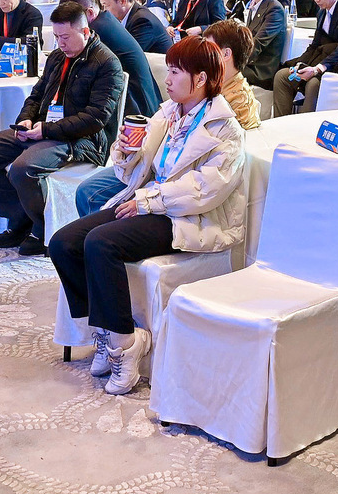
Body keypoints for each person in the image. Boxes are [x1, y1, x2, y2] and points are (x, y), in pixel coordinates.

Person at [49, 34, 248, 395]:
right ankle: (106, 332)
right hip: (152, 201)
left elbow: (204, 191)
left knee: (101, 243)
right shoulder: (169, 113)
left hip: (189, 219)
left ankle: (125, 346)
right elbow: (132, 171)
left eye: (175, 72)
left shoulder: (225, 129)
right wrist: (126, 152)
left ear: (201, 78)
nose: (167, 79)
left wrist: (148, 201)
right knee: (64, 243)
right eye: (168, 70)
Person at [0, 1, 124, 255]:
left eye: (65, 37)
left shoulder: (106, 63)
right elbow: (36, 96)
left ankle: (40, 227)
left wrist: (47, 130)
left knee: (23, 169)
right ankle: (19, 216)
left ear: (85, 32)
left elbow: (96, 118)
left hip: (83, 138)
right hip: (44, 128)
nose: (60, 43)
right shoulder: (58, 57)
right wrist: (26, 119)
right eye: (56, 37)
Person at [77, 0, 159, 120]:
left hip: (137, 108)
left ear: (89, 13)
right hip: (131, 97)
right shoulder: (105, 20)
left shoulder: (97, 30)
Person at [201, 18, 261, 132]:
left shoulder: (240, 101)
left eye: (208, 48)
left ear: (226, 54)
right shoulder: (211, 82)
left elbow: (239, 140)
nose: (202, 54)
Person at [241, 0, 289, 91]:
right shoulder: (255, 4)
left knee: (220, 70)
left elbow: (258, 43)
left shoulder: (275, 9)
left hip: (262, 69)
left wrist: (234, 61)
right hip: (250, 62)